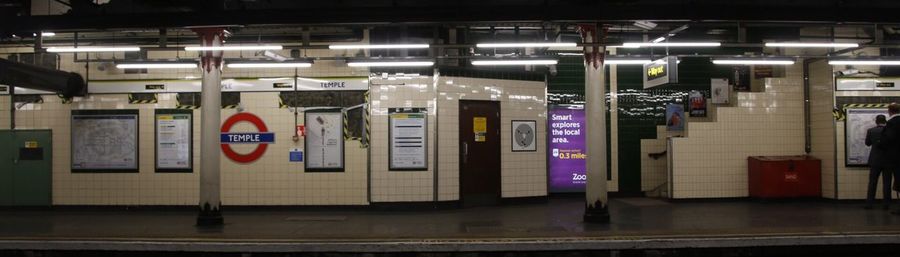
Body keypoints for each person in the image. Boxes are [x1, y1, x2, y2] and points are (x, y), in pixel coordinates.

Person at [865, 115, 890, 209]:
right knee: (887, 183)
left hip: (875, 160)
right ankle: (886, 204)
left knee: (872, 182)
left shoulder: (871, 131)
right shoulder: (889, 131)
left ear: (876, 121)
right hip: (888, 160)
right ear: (885, 121)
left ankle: (869, 204)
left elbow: (867, 143)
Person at [881, 103, 900, 215]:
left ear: (889, 111)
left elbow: (888, 139)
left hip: (894, 157)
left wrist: (881, 143)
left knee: (897, 181)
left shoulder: (892, 123)